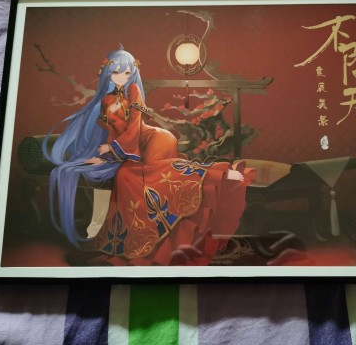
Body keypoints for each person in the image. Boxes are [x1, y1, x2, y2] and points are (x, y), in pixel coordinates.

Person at [43, 46, 253, 266]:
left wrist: (113, 150)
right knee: (128, 174)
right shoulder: (107, 100)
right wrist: (105, 157)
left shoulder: (133, 91)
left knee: (136, 173)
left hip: (154, 139)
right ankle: (123, 240)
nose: (122, 77)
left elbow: (134, 127)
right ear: (107, 72)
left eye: (127, 72)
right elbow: (112, 132)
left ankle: (219, 176)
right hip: (133, 146)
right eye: (117, 72)